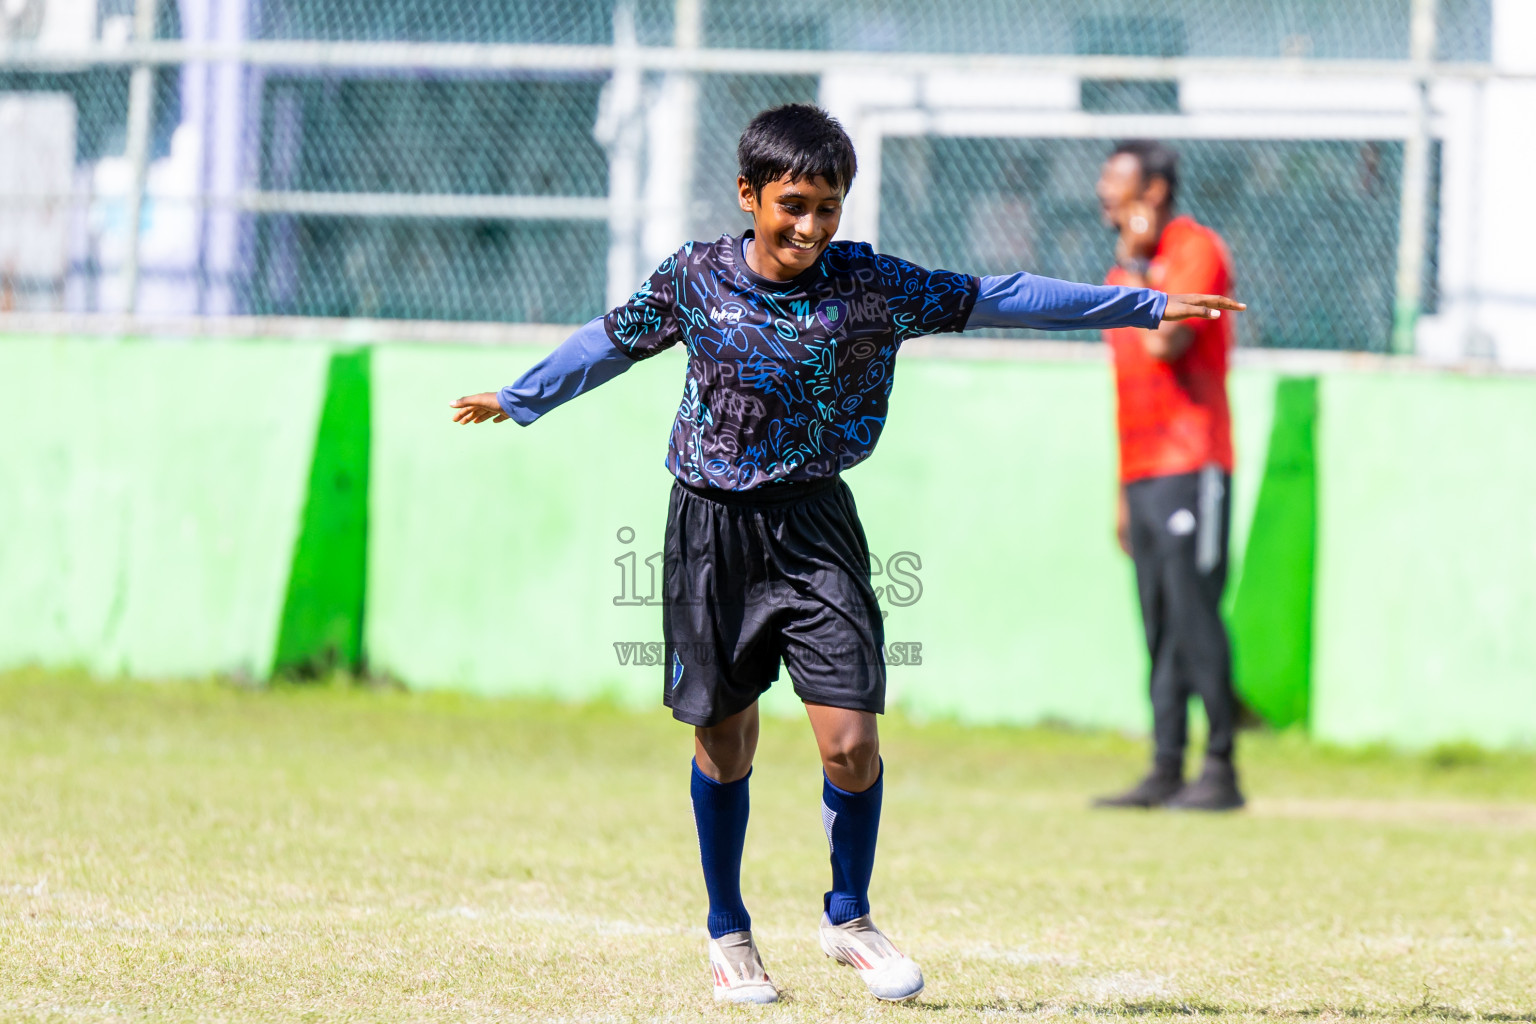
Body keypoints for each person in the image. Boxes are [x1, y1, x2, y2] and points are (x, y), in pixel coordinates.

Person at [449, 107, 1242, 1005]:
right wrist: (521, 398)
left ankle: (849, 916)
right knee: (725, 740)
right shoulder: (696, 279)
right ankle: (727, 932)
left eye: (829, 207)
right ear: (748, 195)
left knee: (852, 743)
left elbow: (1004, 294)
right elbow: (611, 341)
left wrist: (1143, 305)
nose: (810, 227)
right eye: (792, 205)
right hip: (710, 530)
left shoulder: (871, 286)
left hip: (818, 527)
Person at [1093, 139, 1246, 812]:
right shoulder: (1118, 275)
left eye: (1115, 181)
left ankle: (1220, 769)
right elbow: (1125, 387)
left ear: (1151, 192)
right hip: (1144, 471)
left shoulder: (1193, 251)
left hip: (1194, 462)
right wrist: (1121, 491)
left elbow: (1164, 340)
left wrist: (1135, 263)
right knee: (1156, 621)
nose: (1103, 191)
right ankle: (1165, 765)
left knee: (1194, 613)